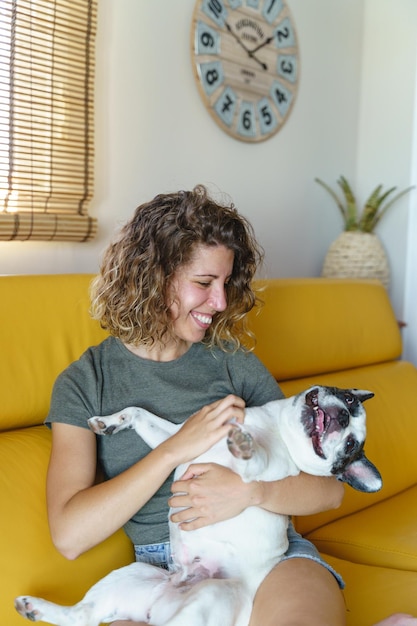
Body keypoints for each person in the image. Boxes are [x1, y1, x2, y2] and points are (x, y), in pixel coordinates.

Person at [45, 185, 416, 626]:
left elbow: (329, 489)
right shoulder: (85, 383)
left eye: (225, 283)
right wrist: (175, 448)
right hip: (165, 571)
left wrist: (250, 493)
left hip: (271, 556)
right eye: (204, 283)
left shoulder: (231, 362)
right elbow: (69, 535)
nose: (220, 303)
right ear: (153, 275)